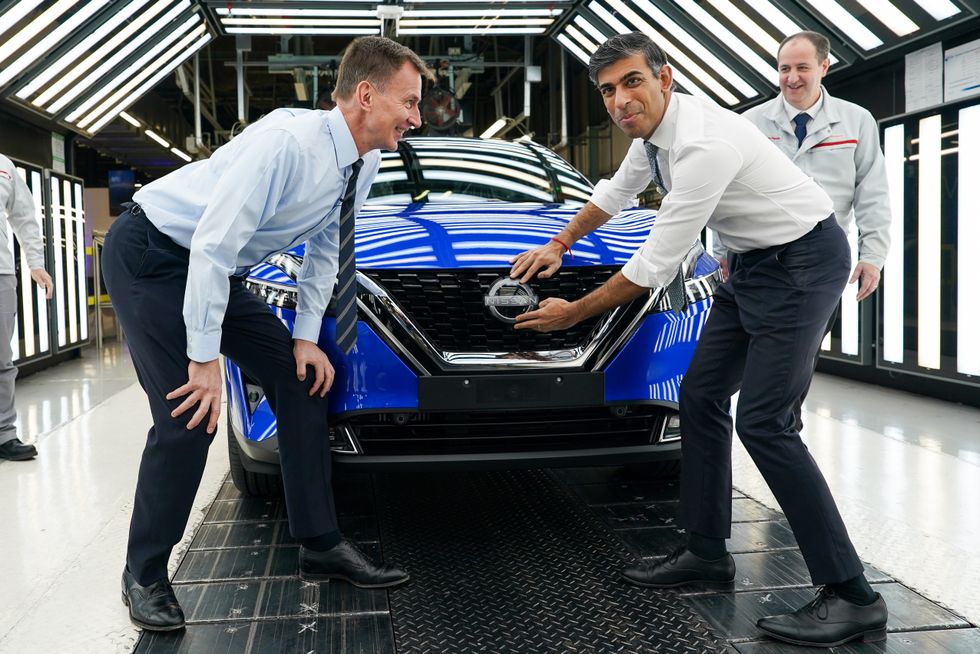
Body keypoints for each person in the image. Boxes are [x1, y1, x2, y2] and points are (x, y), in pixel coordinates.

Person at [509, 32, 887, 648]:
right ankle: (708, 552)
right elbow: (614, 193)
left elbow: (657, 261)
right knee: (701, 396)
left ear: (666, 78)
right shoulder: (652, 137)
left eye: (632, 82)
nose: (620, 100)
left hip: (804, 262)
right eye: (607, 90)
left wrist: (573, 313)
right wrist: (558, 243)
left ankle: (852, 595)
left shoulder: (701, 144)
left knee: (766, 423)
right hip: (753, 263)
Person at [103, 36, 429, 632]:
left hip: (212, 269)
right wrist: (202, 359)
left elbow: (328, 249)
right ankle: (144, 573)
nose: (416, 116)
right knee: (188, 415)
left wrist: (306, 337)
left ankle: (320, 541)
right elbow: (211, 244)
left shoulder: (366, 154)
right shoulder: (285, 143)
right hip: (153, 255)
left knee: (302, 381)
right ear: (365, 94)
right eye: (409, 102)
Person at [736, 30, 891, 432]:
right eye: (784, 68)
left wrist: (873, 255)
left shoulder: (856, 121)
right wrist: (722, 251)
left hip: (821, 262)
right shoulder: (751, 123)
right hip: (758, 258)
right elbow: (729, 190)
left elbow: (872, 192)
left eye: (802, 67)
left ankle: (783, 431)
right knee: (761, 362)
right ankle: (774, 430)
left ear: (824, 66)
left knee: (797, 364)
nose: (792, 78)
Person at [0, 154, 53, 462]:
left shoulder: (4, 166)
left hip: (2, 274)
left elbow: (24, 216)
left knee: (2, 361)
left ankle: (4, 434)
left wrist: (36, 263)